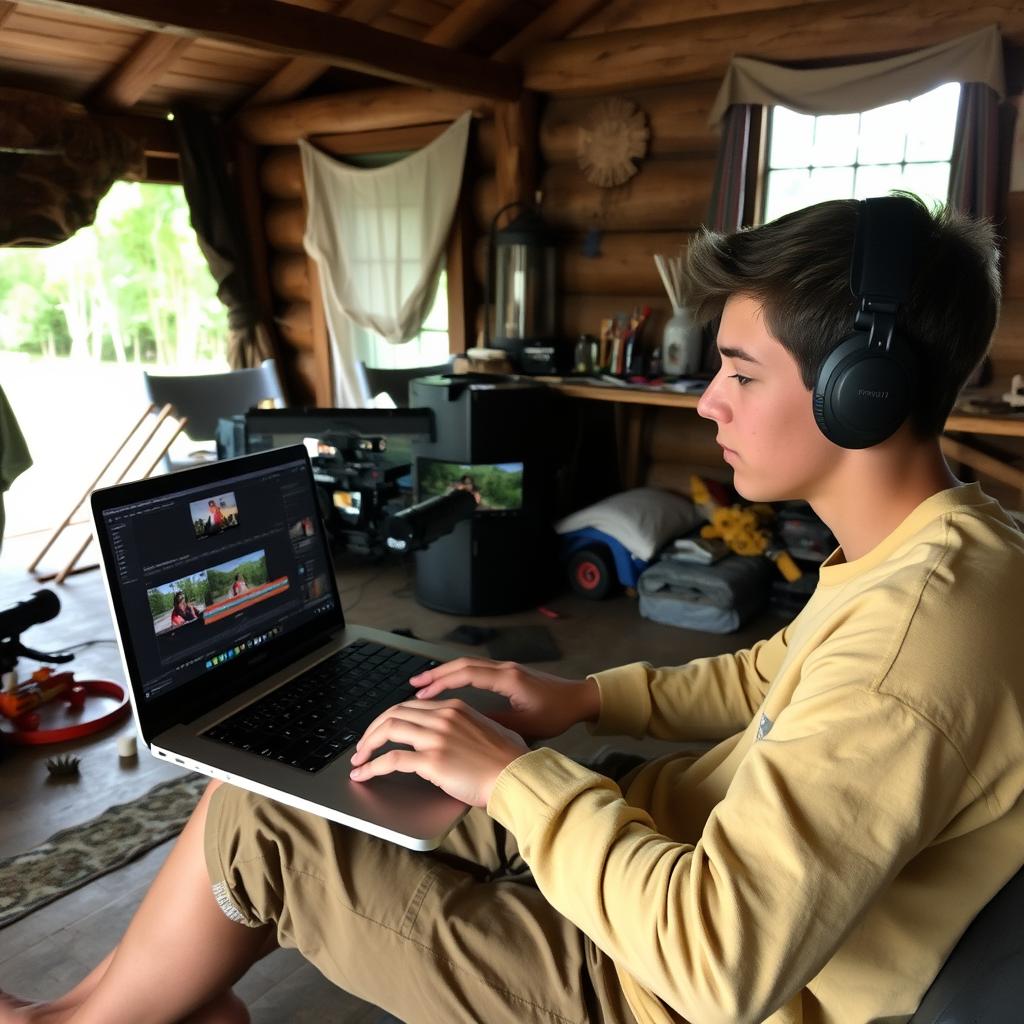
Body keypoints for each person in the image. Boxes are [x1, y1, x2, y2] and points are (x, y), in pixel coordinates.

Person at [5, 194, 1023, 1024]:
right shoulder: (944, 552)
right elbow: (769, 678)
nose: (706, 399)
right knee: (370, 754)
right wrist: (572, 703)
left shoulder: (913, 640)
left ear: (862, 394)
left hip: (660, 984)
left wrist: (514, 778)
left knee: (265, 827)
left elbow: (719, 965)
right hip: (678, 847)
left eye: (739, 372)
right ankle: (119, 1009)